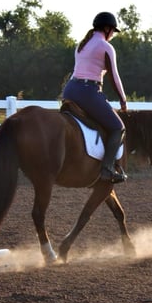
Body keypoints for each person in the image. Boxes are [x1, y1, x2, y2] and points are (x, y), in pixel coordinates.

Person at [62, 11, 128, 183]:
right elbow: (114, 76)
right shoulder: (106, 47)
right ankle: (106, 170)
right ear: (107, 29)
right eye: (113, 31)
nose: (112, 34)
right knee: (118, 128)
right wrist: (123, 99)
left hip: (70, 89)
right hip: (87, 91)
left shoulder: (82, 45)